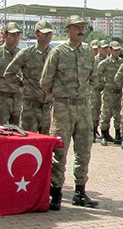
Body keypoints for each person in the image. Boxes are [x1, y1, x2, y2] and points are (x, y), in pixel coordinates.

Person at [40, 15, 98, 210]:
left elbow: (94, 78)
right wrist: (61, 94)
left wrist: (81, 94)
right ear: (68, 30)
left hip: (83, 107)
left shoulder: (88, 54)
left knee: (84, 151)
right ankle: (55, 192)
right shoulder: (58, 53)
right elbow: (45, 81)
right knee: (59, 151)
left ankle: (80, 192)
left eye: (82, 27)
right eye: (76, 27)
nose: (81, 30)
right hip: (62, 108)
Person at [3, 20, 54, 134]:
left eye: (49, 33)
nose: (47, 36)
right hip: (30, 108)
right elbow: (9, 73)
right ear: (36, 34)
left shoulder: (54, 54)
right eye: (44, 33)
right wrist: (21, 84)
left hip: (49, 107)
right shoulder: (26, 53)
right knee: (29, 143)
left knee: (46, 143)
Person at [96, 41, 123, 145]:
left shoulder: (122, 62)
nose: (117, 52)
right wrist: (103, 83)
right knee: (106, 113)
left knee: (118, 114)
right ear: (110, 50)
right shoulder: (105, 62)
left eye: (118, 50)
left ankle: (118, 135)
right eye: (115, 50)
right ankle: (104, 134)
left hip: (118, 92)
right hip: (108, 91)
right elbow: (97, 73)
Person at [91, 40, 109, 139]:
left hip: (105, 89)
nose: (105, 50)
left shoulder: (108, 60)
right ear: (98, 49)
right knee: (94, 110)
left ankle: (104, 132)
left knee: (105, 111)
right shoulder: (94, 60)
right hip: (96, 89)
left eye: (106, 48)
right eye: (103, 48)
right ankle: (93, 131)